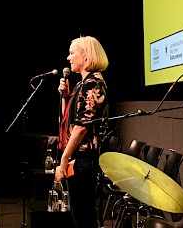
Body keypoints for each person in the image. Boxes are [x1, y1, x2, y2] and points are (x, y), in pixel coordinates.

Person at [55, 35, 109, 228]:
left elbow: (81, 128)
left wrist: (64, 159)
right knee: (79, 214)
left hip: (84, 160)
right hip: (77, 158)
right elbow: (68, 121)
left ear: (85, 56)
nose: (68, 58)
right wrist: (65, 96)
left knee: (84, 216)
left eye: (72, 53)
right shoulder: (81, 84)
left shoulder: (93, 83)